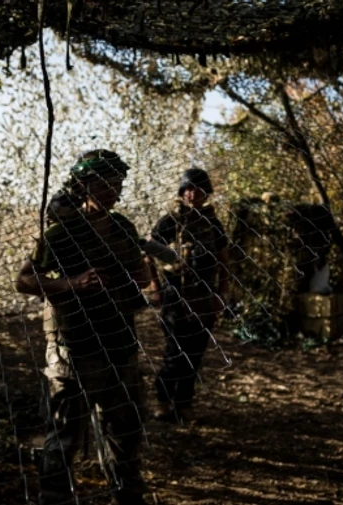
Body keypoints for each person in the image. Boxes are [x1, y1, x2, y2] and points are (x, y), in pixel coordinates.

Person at [15, 149, 153, 505]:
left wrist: (138, 275)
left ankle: (127, 495)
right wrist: (74, 283)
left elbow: (142, 276)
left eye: (116, 183)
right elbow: (24, 280)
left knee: (126, 430)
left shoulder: (123, 227)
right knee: (64, 434)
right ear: (82, 186)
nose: (111, 190)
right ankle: (55, 497)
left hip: (120, 342)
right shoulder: (60, 233)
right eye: (102, 183)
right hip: (74, 347)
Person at [149, 167, 229, 423]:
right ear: (182, 192)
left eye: (199, 189)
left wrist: (221, 293)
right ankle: (163, 400)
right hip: (175, 296)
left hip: (204, 297)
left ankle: (184, 404)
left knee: (195, 354)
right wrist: (156, 289)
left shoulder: (213, 224)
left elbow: (224, 260)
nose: (193, 194)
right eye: (189, 189)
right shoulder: (170, 221)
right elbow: (148, 253)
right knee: (175, 353)